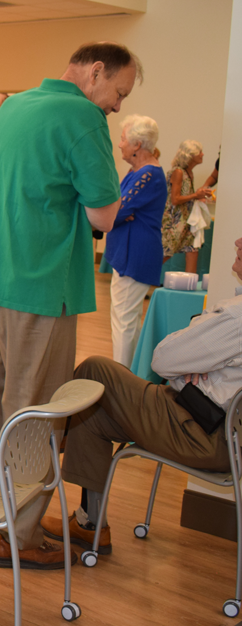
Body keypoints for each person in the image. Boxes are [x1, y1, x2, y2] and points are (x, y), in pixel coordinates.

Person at [0, 42, 139, 568]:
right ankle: (19, 535)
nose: (117, 106)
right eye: (119, 93)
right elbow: (104, 217)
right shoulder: (83, 116)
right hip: (37, 285)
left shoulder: (14, 105)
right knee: (35, 412)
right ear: (97, 72)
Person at [41, 237, 242, 555]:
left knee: (96, 370)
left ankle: (45, 446)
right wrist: (188, 362)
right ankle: (89, 522)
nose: (238, 241)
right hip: (219, 433)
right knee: (93, 414)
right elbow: (176, 361)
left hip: (198, 430)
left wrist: (187, 352)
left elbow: (162, 359)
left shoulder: (236, 318)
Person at [106, 114, 166, 367]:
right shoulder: (138, 172)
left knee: (124, 321)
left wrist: (117, 212)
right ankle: (129, 376)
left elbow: (117, 211)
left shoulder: (147, 175)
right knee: (126, 319)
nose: (119, 144)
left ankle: (120, 380)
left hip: (135, 254)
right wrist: (118, 211)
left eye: (122, 139)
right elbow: (118, 209)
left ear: (137, 144)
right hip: (129, 252)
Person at [161, 140, 213, 273]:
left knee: (193, 249)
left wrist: (198, 196)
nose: (202, 154)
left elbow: (185, 197)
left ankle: (190, 284)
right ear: (190, 155)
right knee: (166, 253)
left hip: (186, 220)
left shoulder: (188, 172)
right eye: (199, 152)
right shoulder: (178, 172)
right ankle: (142, 278)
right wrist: (196, 195)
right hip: (174, 222)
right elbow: (175, 199)